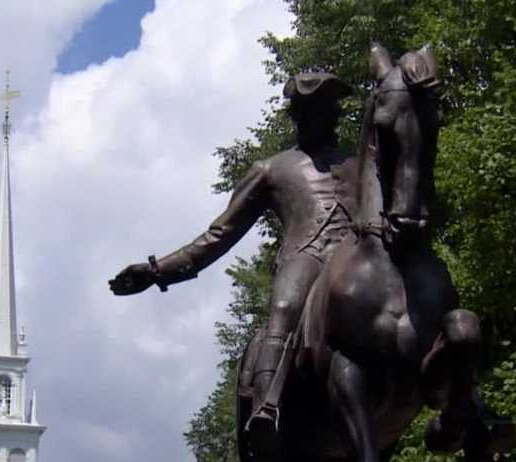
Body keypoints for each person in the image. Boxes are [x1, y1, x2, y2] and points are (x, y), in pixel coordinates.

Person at [109, 71, 358, 441]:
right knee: (286, 306)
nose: (332, 115)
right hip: (308, 255)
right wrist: (157, 271)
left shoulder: (360, 164)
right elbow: (219, 235)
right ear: (301, 115)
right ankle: (266, 409)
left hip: (359, 257)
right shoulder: (271, 170)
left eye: (333, 106)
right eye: (322, 107)